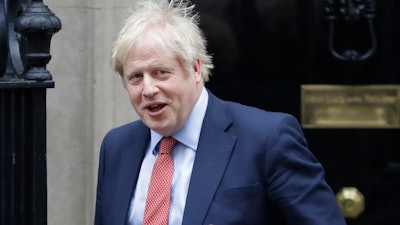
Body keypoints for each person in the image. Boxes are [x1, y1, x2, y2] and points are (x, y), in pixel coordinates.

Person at [94, 0, 347, 224]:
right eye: (136, 77)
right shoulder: (117, 147)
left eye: (161, 72)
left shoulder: (267, 140)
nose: (148, 89)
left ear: (194, 69)